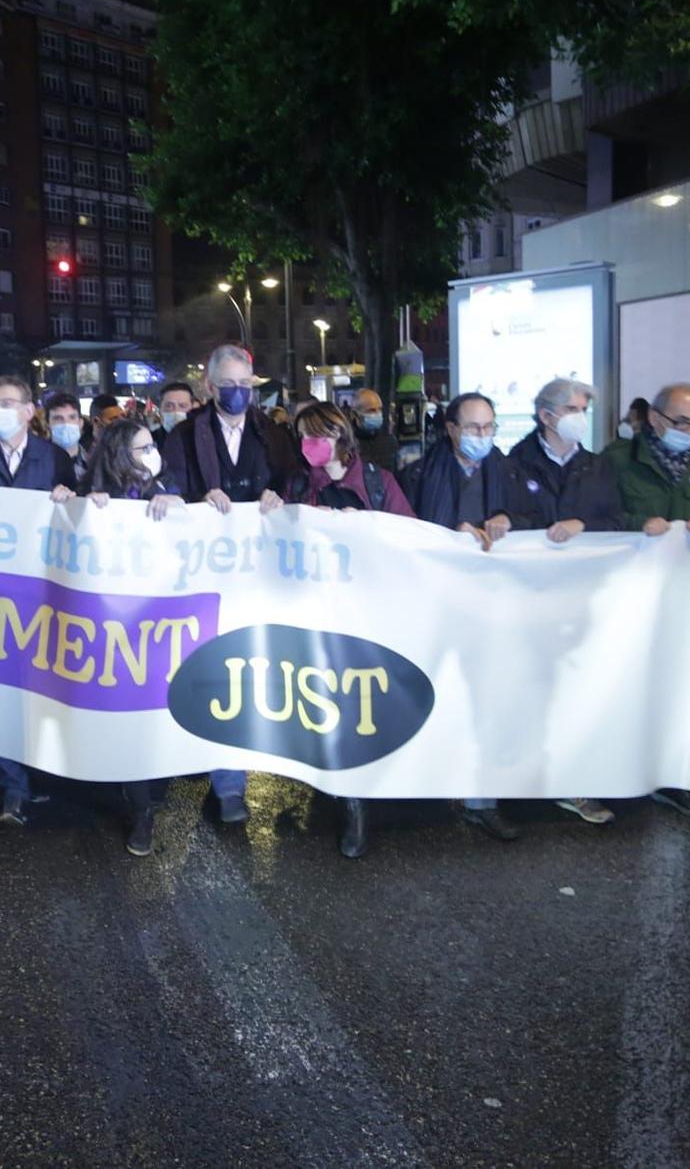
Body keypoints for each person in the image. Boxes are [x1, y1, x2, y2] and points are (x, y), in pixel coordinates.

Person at [159, 344, 299, 824]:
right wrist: (197, 500)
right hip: (205, 572)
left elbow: (296, 484)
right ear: (209, 387)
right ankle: (226, 782)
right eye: (230, 386)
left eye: (246, 386)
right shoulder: (183, 436)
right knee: (213, 669)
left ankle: (236, 776)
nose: (239, 394)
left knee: (251, 667)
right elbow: (168, 488)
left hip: (259, 571)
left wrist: (279, 496)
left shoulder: (274, 435)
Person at [290, 402, 414, 858]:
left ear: (339, 436)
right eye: (302, 437)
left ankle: (365, 797)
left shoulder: (379, 483)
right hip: (320, 612)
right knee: (334, 708)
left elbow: (410, 537)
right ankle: (350, 802)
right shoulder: (300, 484)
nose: (308, 446)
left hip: (369, 611)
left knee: (364, 706)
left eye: (315, 436)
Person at [500, 378, 625, 826]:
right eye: (574, 408)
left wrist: (582, 525)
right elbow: (513, 520)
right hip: (530, 598)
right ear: (546, 416)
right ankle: (520, 776)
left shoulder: (598, 467)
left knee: (578, 687)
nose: (582, 416)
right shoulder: (514, 464)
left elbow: (617, 520)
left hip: (584, 598)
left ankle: (576, 779)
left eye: (585, 408)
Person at [0, 374, 78, 825]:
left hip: (42, 588)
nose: (0, 410)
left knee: (45, 684)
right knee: (3, 689)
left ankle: (47, 769)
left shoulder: (54, 458)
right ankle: (13, 788)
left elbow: (77, 518)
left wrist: (70, 499)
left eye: (9, 402)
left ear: (30, 411)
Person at [602, 382, 690, 822]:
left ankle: (676, 778)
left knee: (684, 685)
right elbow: (599, 517)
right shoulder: (616, 460)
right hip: (629, 595)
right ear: (654, 418)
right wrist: (636, 522)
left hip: (682, 598)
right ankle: (617, 769)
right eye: (681, 421)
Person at [411, 393, 519, 839]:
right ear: (451, 429)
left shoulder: (511, 472)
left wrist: (509, 518)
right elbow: (403, 527)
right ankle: (419, 785)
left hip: (493, 607)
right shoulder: (418, 474)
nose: (482, 437)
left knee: (486, 696)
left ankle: (482, 799)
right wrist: (447, 534)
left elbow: (540, 517)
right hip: (434, 605)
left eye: (489, 427)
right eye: (473, 428)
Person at [76, 416, 183, 855]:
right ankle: (141, 810)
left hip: (160, 624)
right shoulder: (95, 494)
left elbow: (196, 532)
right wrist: (73, 504)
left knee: (156, 711)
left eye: (151, 445)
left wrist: (175, 504)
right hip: (112, 628)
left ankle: (148, 788)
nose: (151, 454)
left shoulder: (168, 484)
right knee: (127, 714)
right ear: (120, 455)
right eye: (141, 449)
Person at [350, 388, 401, 474]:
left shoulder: (389, 441)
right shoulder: (346, 444)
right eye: (371, 410)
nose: (377, 414)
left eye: (380, 410)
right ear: (354, 414)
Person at [43, 391, 89, 485]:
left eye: (72, 417)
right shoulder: (37, 462)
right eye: (58, 418)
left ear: (80, 423)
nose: (66, 423)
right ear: (47, 425)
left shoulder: (94, 461)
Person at [153, 382, 195, 450]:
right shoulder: (150, 441)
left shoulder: (204, 440)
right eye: (169, 406)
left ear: (192, 408)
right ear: (160, 408)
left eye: (183, 406)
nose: (176, 411)